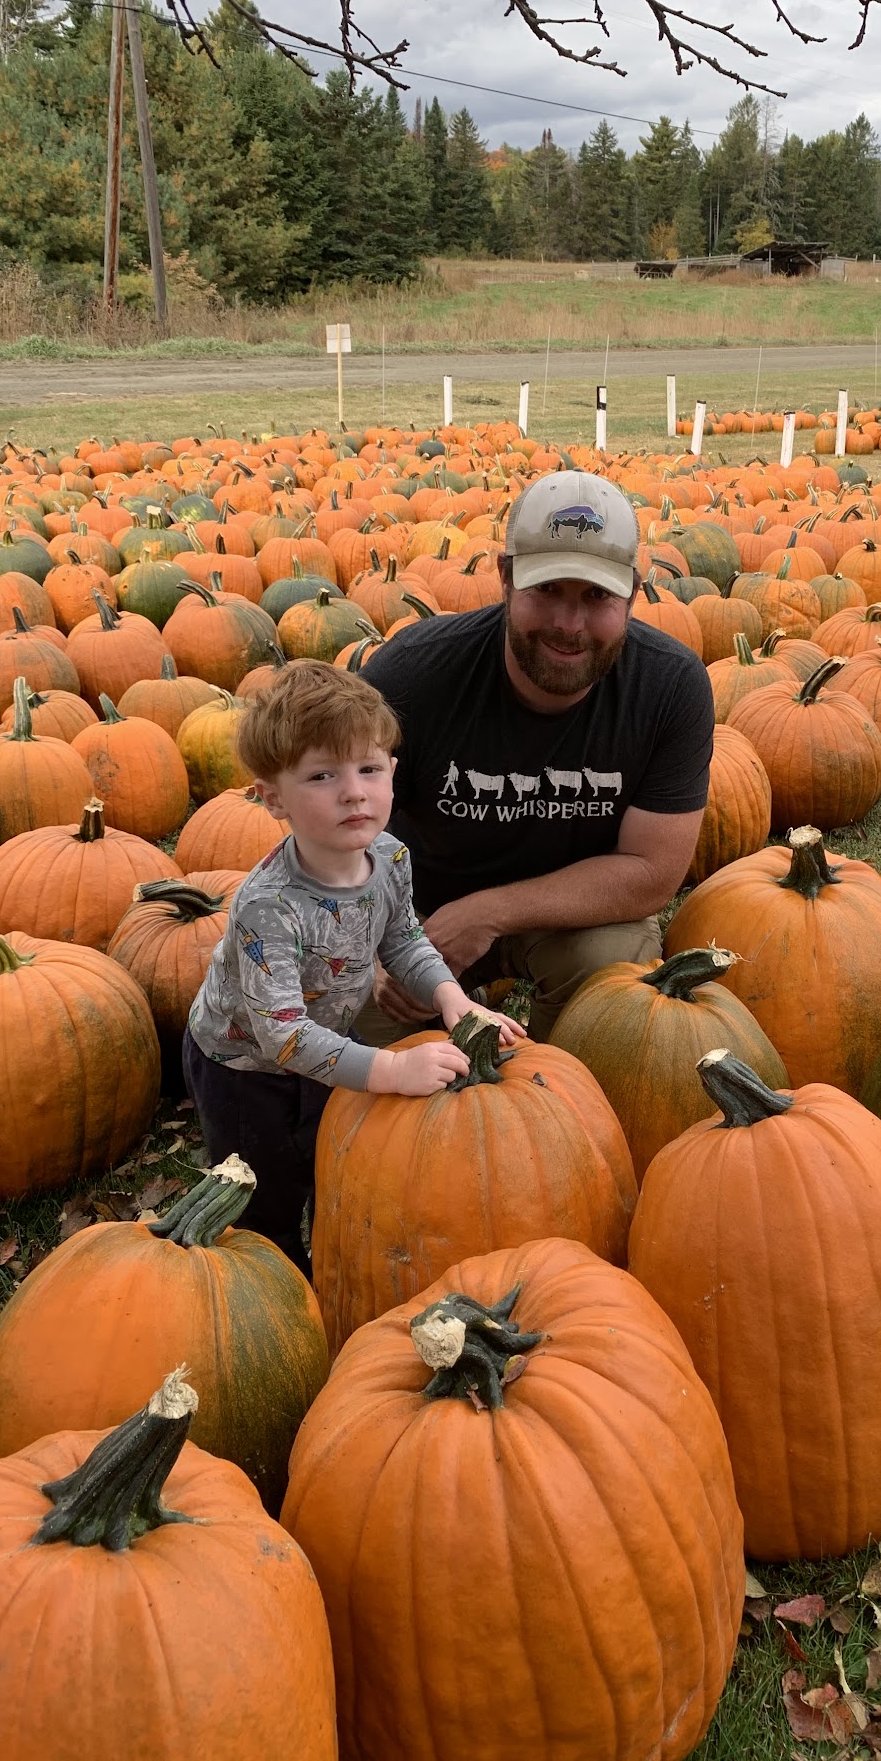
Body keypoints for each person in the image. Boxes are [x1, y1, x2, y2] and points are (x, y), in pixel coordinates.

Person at [182, 661, 523, 1269]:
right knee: (264, 1195)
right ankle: (277, 1280)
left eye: (369, 768)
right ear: (272, 798)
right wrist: (390, 1070)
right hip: (245, 1067)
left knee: (329, 1158)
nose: (353, 792)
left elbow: (405, 941)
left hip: (329, 1041)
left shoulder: (389, 857)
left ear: (393, 773)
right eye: (321, 775)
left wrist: (453, 999)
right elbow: (281, 1036)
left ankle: (329, 1255)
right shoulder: (270, 906)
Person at [360, 469, 715, 1039]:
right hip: (422, 919)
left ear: (631, 589)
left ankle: (558, 1086)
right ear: (505, 577)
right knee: (352, 1027)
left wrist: (488, 913)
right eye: (547, 589)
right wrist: (377, 938)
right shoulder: (411, 676)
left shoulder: (671, 687)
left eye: (596, 596)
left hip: (574, 918)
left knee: (615, 971)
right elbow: (337, 826)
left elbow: (652, 873)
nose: (570, 625)